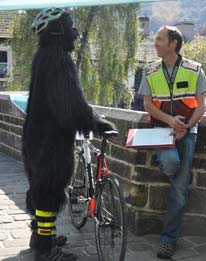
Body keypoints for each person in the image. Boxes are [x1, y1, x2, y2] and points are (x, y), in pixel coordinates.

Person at [22, 8, 116, 261]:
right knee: (49, 191)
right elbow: (69, 103)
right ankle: (45, 249)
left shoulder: (43, 56)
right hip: (51, 140)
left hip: (36, 136)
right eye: (70, 26)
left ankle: (42, 235)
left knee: (41, 188)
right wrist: (95, 122)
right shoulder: (58, 58)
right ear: (59, 30)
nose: (75, 33)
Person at [138, 25, 206, 259]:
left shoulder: (194, 69)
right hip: (162, 130)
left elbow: (202, 106)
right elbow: (147, 106)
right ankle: (172, 167)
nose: (155, 43)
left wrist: (186, 127)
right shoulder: (149, 71)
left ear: (173, 44)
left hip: (187, 132)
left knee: (179, 190)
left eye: (159, 39)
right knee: (171, 165)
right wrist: (171, 121)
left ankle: (168, 240)